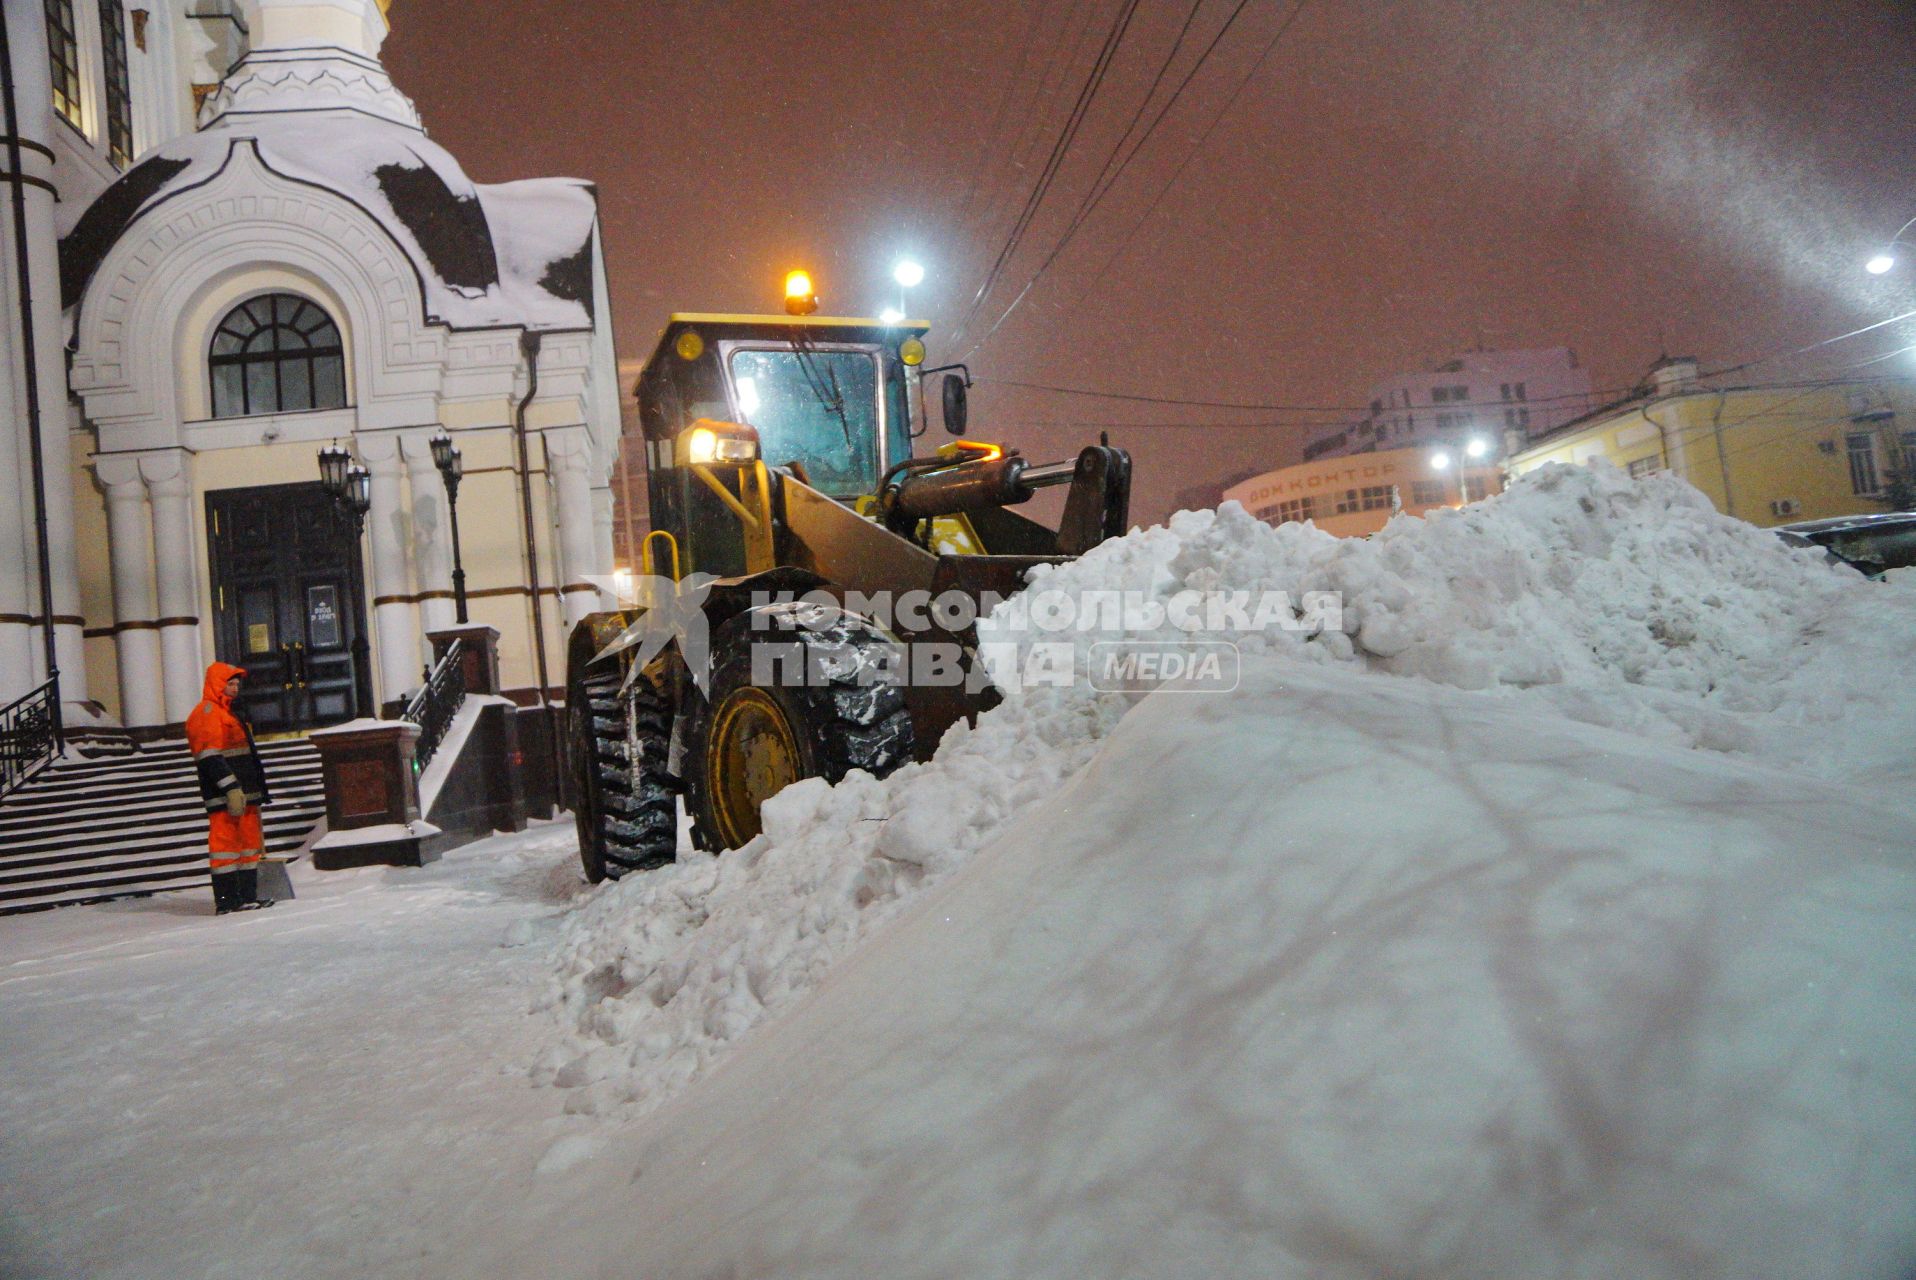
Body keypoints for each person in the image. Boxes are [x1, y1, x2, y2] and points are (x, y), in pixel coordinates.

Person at [185, 662, 274, 914]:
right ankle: (227, 900)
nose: (235, 689)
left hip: (243, 794)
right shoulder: (207, 713)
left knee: (247, 846)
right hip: (227, 795)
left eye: (237, 684)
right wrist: (231, 788)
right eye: (230, 684)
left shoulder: (228, 713)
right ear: (217, 684)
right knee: (225, 847)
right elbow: (209, 757)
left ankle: (246, 896)